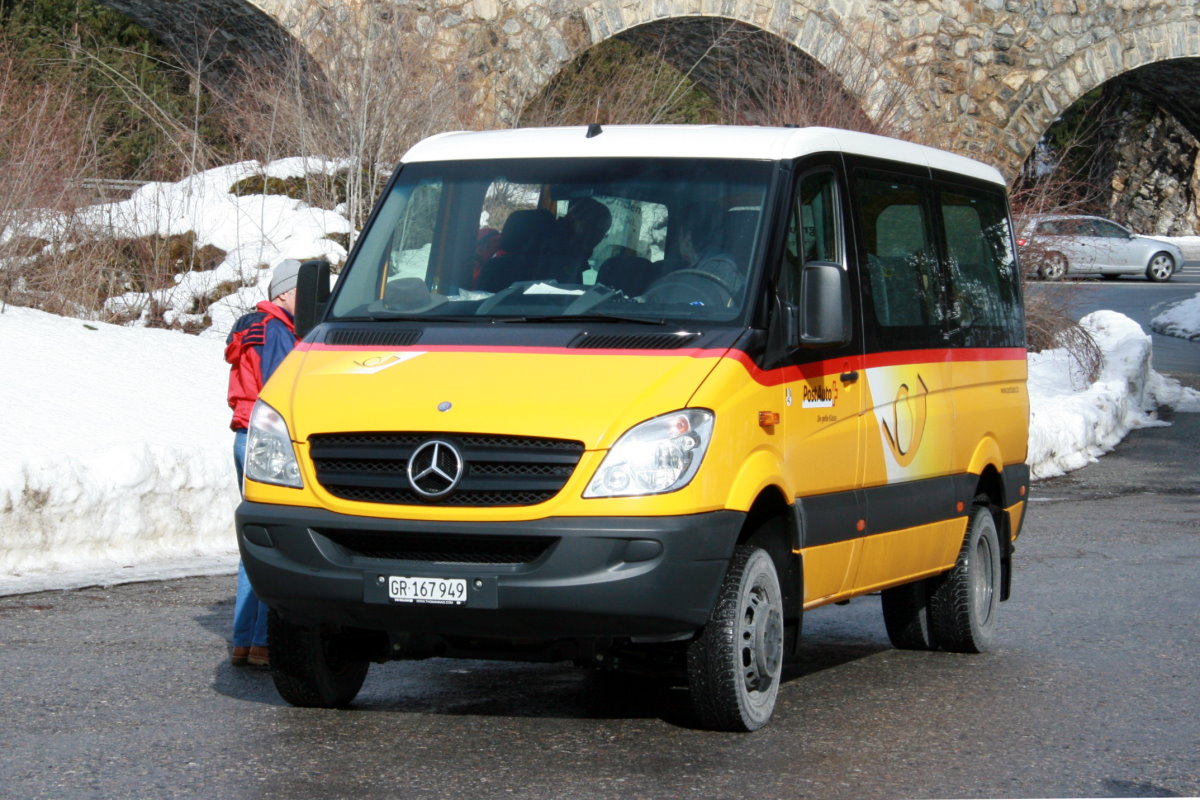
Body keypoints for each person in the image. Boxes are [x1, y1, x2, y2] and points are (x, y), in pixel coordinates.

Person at [223, 258, 301, 667]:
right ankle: (263, 641)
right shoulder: (276, 330)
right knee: (274, 541)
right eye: (303, 291)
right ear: (284, 293)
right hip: (267, 441)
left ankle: (245, 640)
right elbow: (283, 389)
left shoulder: (254, 326)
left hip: (244, 435)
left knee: (257, 541)